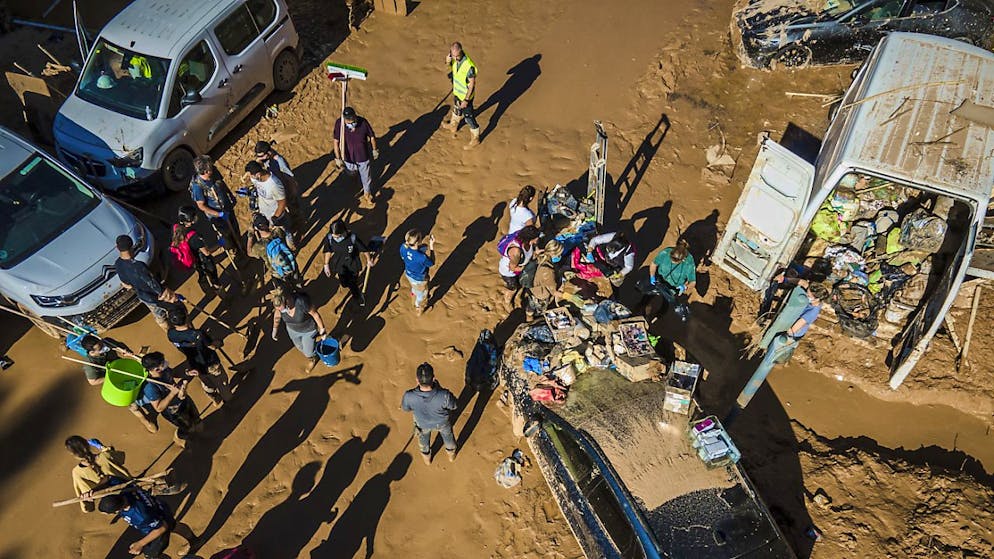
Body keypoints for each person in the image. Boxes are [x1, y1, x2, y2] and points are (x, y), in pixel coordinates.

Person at [733, 282, 828, 413]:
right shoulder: (811, 300)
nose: (807, 296)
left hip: (791, 335)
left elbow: (794, 328)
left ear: (817, 298)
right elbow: (803, 283)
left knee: (775, 356)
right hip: (791, 330)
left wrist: (779, 325)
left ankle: (780, 362)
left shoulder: (812, 312)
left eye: (809, 295)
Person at [166, 306, 232, 405]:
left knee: (206, 382)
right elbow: (212, 346)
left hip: (195, 365)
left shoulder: (171, 334)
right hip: (210, 362)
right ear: (187, 316)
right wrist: (218, 343)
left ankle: (214, 396)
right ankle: (228, 399)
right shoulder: (198, 334)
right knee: (222, 382)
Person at [131, 352, 199, 446]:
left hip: (183, 399)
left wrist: (186, 373)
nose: (165, 364)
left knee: (196, 418)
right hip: (172, 410)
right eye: (162, 363)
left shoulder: (164, 370)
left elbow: (173, 373)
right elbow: (158, 407)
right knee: (186, 427)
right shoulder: (150, 387)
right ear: (156, 369)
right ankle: (179, 438)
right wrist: (172, 393)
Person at [114, 235, 177, 331]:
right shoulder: (139, 266)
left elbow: (127, 284)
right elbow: (151, 282)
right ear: (132, 246)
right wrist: (163, 293)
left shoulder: (118, 263)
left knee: (159, 317)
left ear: (117, 247)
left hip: (144, 297)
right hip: (157, 296)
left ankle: (169, 332)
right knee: (176, 310)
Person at [401, 363, 458, 465]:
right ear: (433, 378)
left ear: (417, 380)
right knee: (449, 438)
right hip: (442, 423)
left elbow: (406, 409)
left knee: (423, 443)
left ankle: (427, 460)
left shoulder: (408, 395)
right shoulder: (444, 394)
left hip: (422, 424)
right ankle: (451, 456)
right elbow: (453, 406)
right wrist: (439, 389)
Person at [98, 489, 176, 559]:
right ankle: (188, 538)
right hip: (159, 508)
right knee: (174, 526)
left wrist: (140, 544)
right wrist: (93, 492)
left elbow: (162, 527)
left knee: (150, 554)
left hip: (157, 527)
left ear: (117, 511)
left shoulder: (140, 516)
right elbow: (109, 478)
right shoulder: (127, 489)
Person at [66, 435, 132, 513]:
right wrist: (103, 448)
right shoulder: (106, 456)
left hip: (114, 502)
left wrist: (86, 502)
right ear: (87, 445)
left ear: (73, 454)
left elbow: (87, 505)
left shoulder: (77, 473)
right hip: (131, 490)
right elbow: (121, 457)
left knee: (104, 508)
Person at [189, 155, 241, 252]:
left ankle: (240, 246)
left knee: (235, 228)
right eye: (209, 169)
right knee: (226, 236)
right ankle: (234, 251)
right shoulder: (198, 186)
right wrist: (219, 214)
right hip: (217, 216)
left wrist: (230, 195)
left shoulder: (214, 172)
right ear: (204, 171)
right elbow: (201, 205)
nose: (212, 169)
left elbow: (222, 183)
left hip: (226, 207)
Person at [332, 106, 379, 206]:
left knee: (366, 177)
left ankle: (367, 193)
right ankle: (353, 175)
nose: (350, 122)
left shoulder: (363, 123)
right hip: (348, 157)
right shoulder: (339, 124)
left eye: (352, 120)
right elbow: (336, 142)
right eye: (348, 121)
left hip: (363, 156)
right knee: (351, 173)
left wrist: (375, 149)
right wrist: (338, 158)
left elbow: (372, 136)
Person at [272, 289, 327, 372]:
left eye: (282, 309)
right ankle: (313, 347)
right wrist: (274, 329)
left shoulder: (301, 302)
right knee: (300, 347)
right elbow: (277, 316)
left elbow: (315, 315)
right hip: (293, 331)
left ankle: (313, 358)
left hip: (308, 330)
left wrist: (322, 329)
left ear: (286, 300)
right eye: (279, 309)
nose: (282, 311)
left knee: (308, 352)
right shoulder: (279, 305)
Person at [323, 219, 375, 307]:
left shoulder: (352, 238)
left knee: (352, 284)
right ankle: (352, 287)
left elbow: (364, 249)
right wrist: (326, 264)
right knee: (344, 283)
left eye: (336, 236)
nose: (334, 237)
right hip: (340, 265)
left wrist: (369, 260)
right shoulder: (330, 238)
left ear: (342, 232)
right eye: (333, 235)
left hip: (353, 264)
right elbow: (328, 250)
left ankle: (358, 297)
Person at [245, 160, 294, 250]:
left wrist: (275, 218)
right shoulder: (255, 177)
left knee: (285, 231)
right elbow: (249, 177)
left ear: (258, 175)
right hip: (264, 212)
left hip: (276, 214)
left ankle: (291, 247)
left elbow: (282, 202)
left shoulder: (274, 185)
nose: (251, 178)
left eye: (251, 176)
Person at [171, 206, 221, 293]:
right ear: (189, 221)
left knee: (201, 272)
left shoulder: (176, 228)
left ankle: (205, 287)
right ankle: (219, 290)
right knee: (212, 274)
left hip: (194, 260)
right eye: (193, 216)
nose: (196, 217)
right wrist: (220, 244)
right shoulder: (194, 237)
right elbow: (207, 252)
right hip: (203, 259)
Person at [644, 239, 696, 322]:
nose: (672, 261)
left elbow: (692, 282)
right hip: (659, 280)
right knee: (648, 295)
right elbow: (654, 264)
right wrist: (652, 276)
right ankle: (642, 308)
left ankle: (655, 319)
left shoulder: (689, 263)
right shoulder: (665, 252)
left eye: (675, 261)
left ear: (683, 260)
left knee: (666, 303)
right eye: (671, 259)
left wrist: (684, 286)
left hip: (673, 287)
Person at [442, 41, 481, 149]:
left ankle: (475, 138)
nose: (455, 58)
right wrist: (447, 61)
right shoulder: (453, 60)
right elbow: (448, 69)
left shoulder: (469, 66)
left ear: (461, 52)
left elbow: (472, 84)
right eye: (453, 55)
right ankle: (453, 126)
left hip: (466, 96)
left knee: (469, 117)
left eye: (456, 56)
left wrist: (466, 100)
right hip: (457, 92)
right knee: (456, 109)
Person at [248, 214, 300, 290]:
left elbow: (249, 252)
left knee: (285, 293)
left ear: (256, 228)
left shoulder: (258, 247)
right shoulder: (278, 231)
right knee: (298, 285)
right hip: (291, 265)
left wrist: (250, 234)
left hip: (277, 273)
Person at [498, 225, 540, 306]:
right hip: (509, 273)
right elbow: (513, 268)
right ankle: (507, 302)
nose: (538, 238)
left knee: (520, 283)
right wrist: (527, 267)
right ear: (530, 238)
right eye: (537, 237)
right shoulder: (516, 252)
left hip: (520, 266)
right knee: (513, 287)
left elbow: (532, 248)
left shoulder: (529, 241)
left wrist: (536, 251)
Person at [400, 229, 435, 315]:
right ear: (417, 242)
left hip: (408, 274)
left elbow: (404, 256)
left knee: (414, 289)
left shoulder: (403, 247)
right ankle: (419, 309)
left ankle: (414, 300)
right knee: (422, 296)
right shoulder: (422, 257)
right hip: (420, 279)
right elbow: (431, 263)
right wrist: (431, 246)